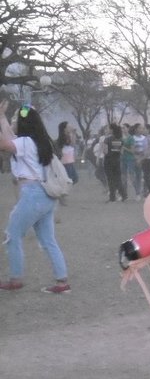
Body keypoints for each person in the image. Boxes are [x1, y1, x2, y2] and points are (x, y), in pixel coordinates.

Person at [0, 102, 71, 293]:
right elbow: (9, 138)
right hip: (45, 195)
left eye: (16, 119)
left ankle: (15, 278)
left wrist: (1, 119)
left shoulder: (24, 142)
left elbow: (4, 143)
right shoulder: (38, 141)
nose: (13, 122)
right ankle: (62, 282)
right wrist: (3, 117)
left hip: (33, 195)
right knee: (48, 240)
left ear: (23, 123)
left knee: (12, 235)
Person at [103, 124, 126, 202]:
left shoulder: (107, 139)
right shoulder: (120, 139)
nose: (107, 130)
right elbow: (122, 152)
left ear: (112, 130)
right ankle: (123, 194)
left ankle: (112, 197)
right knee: (118, 179)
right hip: (117, 161)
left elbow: (105, 151)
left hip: (108, 161)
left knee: (110, 179)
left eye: (108, 129)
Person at [56, 121, 79, 185]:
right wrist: (73, 133)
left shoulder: (68, 135)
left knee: (73, 178)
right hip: (66, 161)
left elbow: (73, 144)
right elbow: (72, 144)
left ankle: (66, 189)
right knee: (71, 179)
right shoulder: (65, 136)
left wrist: (73, 134)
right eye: (68, 126)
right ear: (64, 129)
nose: (70, 127)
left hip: (68, 160)